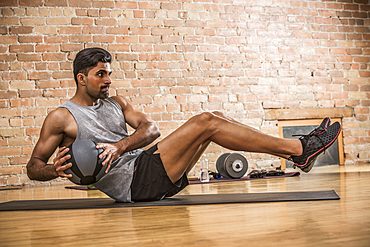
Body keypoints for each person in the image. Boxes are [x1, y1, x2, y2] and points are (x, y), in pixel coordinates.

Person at [26, 47, 342, 202]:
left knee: (214, 118)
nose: (108, 80)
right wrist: (55, 170)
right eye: (100, 75)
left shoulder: (117, 103)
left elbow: (151, 130)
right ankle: (299, 149)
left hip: (143, 167)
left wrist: (119, 145)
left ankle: (297, 152)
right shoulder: (61, 117)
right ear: (81, 78)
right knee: (206, 121)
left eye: (109, 73)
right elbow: (33, 166)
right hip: (132, 185)